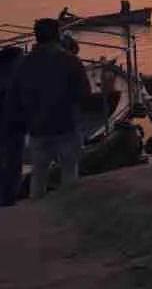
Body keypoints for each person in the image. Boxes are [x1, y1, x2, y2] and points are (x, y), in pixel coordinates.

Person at [11, 18, 93, 199]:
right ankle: (69, 210)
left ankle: (36, 214)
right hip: (66, 127)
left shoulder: (23, 64)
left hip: (37, 128)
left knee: (38, 176)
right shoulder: (70, 61)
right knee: (70, 173)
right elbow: (85, 94)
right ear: (57, 35)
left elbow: (16, 97)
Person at [0, 46, 26, 206]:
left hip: (12, 127)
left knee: (10, 163)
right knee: (11, 163)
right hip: (11, 127)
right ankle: (8, 197)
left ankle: (8, 196)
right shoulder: (10, 80)